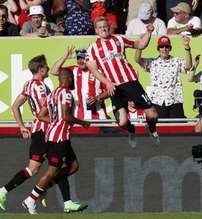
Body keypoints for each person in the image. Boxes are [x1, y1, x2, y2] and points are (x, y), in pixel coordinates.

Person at [0, 55, 80, 212]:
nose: (48, 69)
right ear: (41, 70)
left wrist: (21, 126)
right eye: (46, 67)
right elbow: (43, 108)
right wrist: (59, 120)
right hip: (44, 130)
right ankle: (8, 191)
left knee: (53, 167)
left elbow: (14, 106)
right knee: (44, 168)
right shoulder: (40, 86)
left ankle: (55, 198)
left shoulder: (29, 84)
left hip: (40, 129)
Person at [22, 68, 90, 215]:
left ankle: (45, 190)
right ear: (69, 78)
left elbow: (41, 115)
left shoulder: (52, 94)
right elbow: (66, 116)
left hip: (54, 135)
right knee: (53, 170)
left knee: (73, 166)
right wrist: (82, 122)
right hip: (59, 138)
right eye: (72, 78)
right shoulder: (66, 93)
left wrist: (54, 121)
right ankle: (32, 199)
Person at [86, 16, 159, 147]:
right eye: (100, 27)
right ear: (96, 31)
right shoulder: (92, 49)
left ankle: (151, 129)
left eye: (105, 26)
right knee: (122, 122)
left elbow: (140, 45)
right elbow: (94, 70)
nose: (103, 28)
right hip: (114, 87)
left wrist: (149, 32)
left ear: (109, 28)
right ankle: (131, 129)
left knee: (153, 115)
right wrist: (107, 82)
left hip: (130, 82)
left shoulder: (119, 39)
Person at [135, 35, 192, 118]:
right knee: (159, 128)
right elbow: (137, 59)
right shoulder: (152, 62)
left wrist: (187, 47)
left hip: (175, 101)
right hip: (157, 102)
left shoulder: (176, 61)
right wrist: (140, 45)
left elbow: (188, 66)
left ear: (170, 48)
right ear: (158, 48)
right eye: (162, 46)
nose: (164, 49)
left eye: (166, 46)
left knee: (177, 128)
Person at [51, 47, 109, 120]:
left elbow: (109, 91)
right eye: (78, 58)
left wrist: (97, 98)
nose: (80, 61)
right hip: (78, 117)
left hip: (98, 117)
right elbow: (54, 71)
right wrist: (64, 57)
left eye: (83, 58)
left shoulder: (99, 72)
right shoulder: (73, 70)